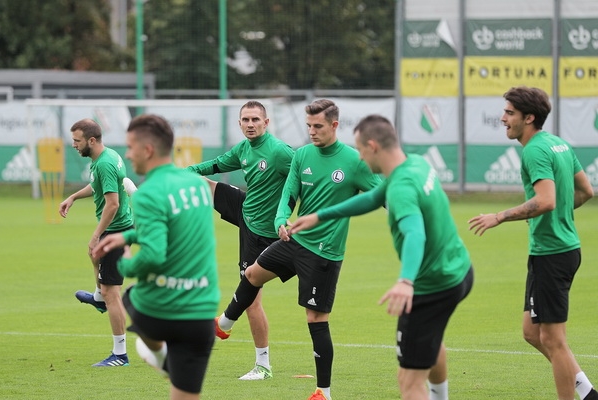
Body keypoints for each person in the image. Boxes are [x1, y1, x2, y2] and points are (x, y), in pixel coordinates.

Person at [290, 114, 474, 400]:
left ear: (373, 146)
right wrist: (320, 215)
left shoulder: (401, 187)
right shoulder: (415, 164)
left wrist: (405, 281)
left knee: (408, 381)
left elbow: (415, 234)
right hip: (460, 270)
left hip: (431, 285)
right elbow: (371, 199)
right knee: (432, 339)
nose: (360, 159)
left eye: (361, 151)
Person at [213, 99, 382, 400]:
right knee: (252, 273)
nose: (312, 131)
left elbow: (382, 192)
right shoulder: (302, 154)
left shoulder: (353, 162)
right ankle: (225, 322)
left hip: (323, 253)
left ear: (334, 126)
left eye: (318, 126)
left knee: (316, 320)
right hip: (294, 240)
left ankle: (323, 391)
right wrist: (280, 219)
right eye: (308, 126)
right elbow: (290, 192)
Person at [468, 86, 597, 400]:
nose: (503, 119)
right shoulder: (558, 144)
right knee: (531, 332)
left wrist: (500, 216)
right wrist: (553, 214)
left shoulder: (535, 150)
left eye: (509, 113)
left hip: (553, 254)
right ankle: (587, 392)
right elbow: (586, 192)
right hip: (557, 250)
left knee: (554, 340)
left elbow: (546, 200)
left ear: (529, 117)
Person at [92, 114, 220, 400]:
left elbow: (152, 257)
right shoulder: (196, 185)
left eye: (129, 146)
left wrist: (124, 260)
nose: (126, 154)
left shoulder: (147, 193)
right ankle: (163, 359)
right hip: (201, 313)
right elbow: (173, 228)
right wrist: (128, 235)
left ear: (147, 150)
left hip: (163, 314)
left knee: (128, 296)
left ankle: (160, 354)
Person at [187, 100, 294, 380]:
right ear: (239, 123)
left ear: (266, 123)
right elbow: (216, 164)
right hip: (245, 211)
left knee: (253, 299)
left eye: (255, 120)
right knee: (198, 181)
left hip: (264, 233)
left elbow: (302, 182)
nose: (250, 124)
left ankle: (263, 365)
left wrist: (289, 215)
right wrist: (185, 172)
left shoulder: (280, 152)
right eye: (245, 120)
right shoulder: (243, 149)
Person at [59, 118, 134, 367]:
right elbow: (97, 187)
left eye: (77, 141)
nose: (73, 145)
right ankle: (98, 297)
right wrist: (73, 197)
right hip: (117, 228)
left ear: (91, 141)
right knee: (93, 256)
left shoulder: (104, 164)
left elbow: (112, 203)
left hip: (115, 230)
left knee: (112, 293)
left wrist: (96, 235)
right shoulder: (106, 157)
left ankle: (120, 355)